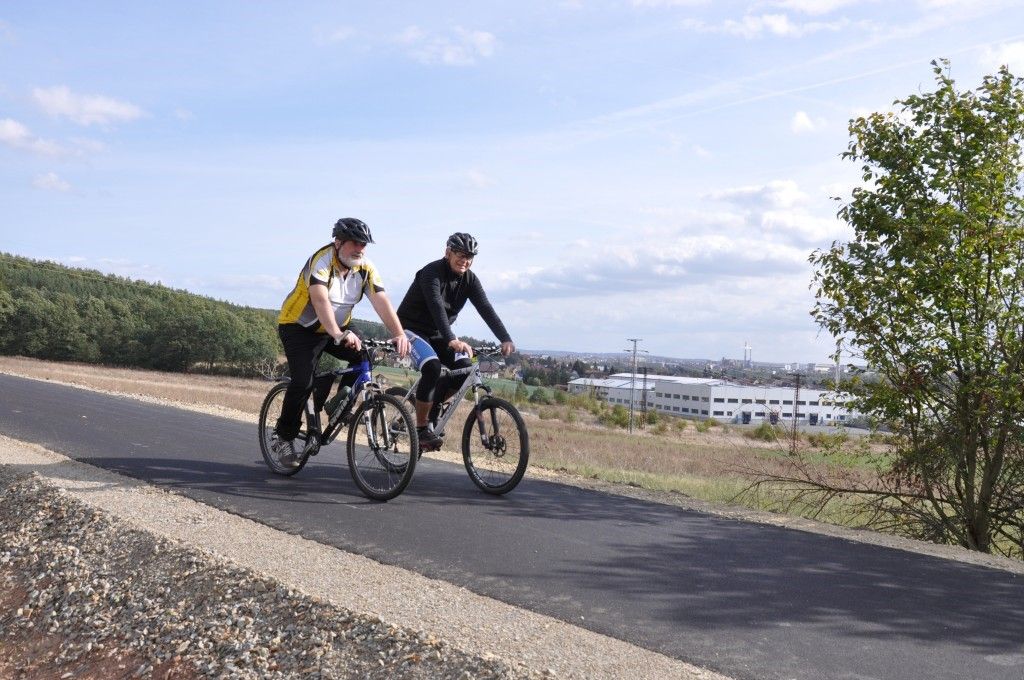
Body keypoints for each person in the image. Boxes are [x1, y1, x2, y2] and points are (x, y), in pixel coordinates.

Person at [272, 217, 411, 466]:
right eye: (355, 243)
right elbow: (320, 301)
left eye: (363, 244)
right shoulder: (321, 261)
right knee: (303, 382)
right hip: (299, 327)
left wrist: (399, 333)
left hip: (338, 325)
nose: (360, 249)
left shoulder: (365, 268)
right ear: (338, 242)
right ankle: (283, 436)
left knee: (364, 356)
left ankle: (339, 404)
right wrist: (337, 334)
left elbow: (381, 300)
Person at [396, 232, 515, 450]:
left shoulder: (470, 279)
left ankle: (434, 408)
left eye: (469, 257)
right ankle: (421, 429)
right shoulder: (431, 272)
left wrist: (504, 338)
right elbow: (436, 306)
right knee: (432, 367)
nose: (465, 260)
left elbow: (485, 308)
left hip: (439, 333)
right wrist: (451, 339)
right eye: (460, 254)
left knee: (464, 369)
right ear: (448, 252)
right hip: (410, 329)